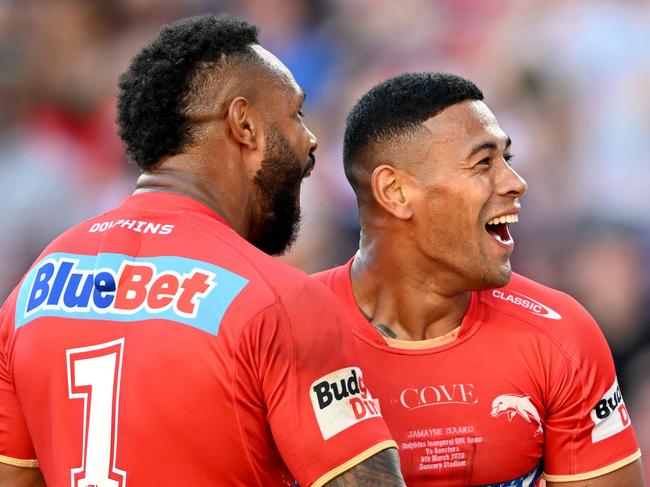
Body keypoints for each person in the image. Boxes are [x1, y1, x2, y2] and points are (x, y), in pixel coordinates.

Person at [0, 15, 406, 487]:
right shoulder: (279, 302)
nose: (310, 139)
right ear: (244, 124)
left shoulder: (34, 288)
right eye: (295, 114)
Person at [314, 72, 644, 486]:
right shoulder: (283, 333)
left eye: (508, 159)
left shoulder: (559, 334)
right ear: (395, 191)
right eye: (483, 163)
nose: (515, 182)